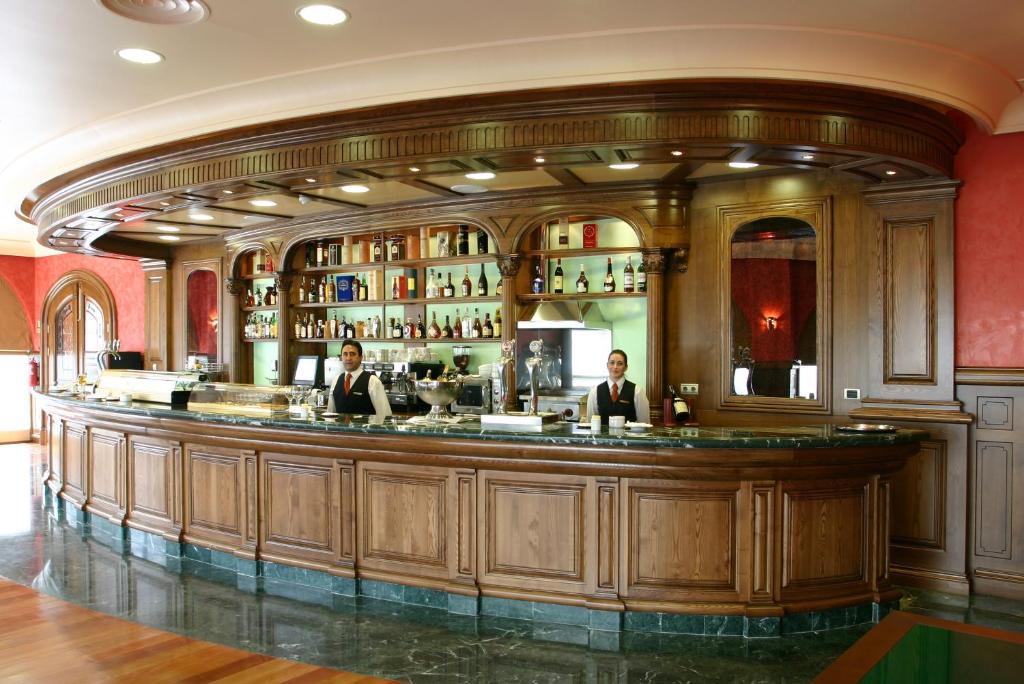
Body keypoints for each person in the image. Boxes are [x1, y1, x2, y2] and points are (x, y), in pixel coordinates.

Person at [327, 339, 392, 418]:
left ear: (360, 357)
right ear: (341, 357)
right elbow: (330, 414)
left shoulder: (373, 381)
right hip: (340, 426)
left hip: (365, 426)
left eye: (352, 354)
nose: (348, 358)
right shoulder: (336, 380)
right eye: (345, 354)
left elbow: (385, 415)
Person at [586, 349, 650, 425]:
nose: (615, 367)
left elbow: (644, 424)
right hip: (603, 433)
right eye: (612, 363)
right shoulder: (595, 392)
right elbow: (590, 424)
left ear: (626, 367)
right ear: (607, 365)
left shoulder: (637, 391)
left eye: (620, 363)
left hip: (629, 433)